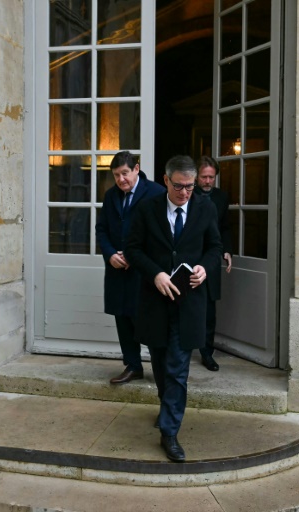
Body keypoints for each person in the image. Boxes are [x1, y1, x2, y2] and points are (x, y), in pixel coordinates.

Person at [125, 155, 223, 462]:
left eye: (190, 187)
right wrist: (155, 273)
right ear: (166, 180)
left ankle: (169, 431)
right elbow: (132, 249)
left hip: (189, 302)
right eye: (179, 186)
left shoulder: (205, 207)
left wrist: (206, 268)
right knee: (160, 362)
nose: (184, 193)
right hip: (154, 303)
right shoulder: (146, 208)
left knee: (178, 369)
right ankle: (166, 405)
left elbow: (214, 247)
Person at [96, 151, 165, 384]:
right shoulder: (110, 195)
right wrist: (109, 254)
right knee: (122, 319)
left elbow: (163, 232)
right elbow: (101, 229)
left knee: (148, 320)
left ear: (136, 168)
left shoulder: (156, 193)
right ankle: (133, 365)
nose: (121, 179)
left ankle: (161, 370)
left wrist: (137, 254)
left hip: (144, 270)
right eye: (116, 175)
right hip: (117, 269)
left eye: (124, 173)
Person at [195, 155, 233, 372]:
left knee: (209, 310)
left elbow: (225, 226)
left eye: (211, 177)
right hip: (190, 258)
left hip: (211, 259)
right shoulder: (186, 194)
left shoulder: (221, 197)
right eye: (204, 177)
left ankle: (207, 353)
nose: (208, 181)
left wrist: (227, 250)